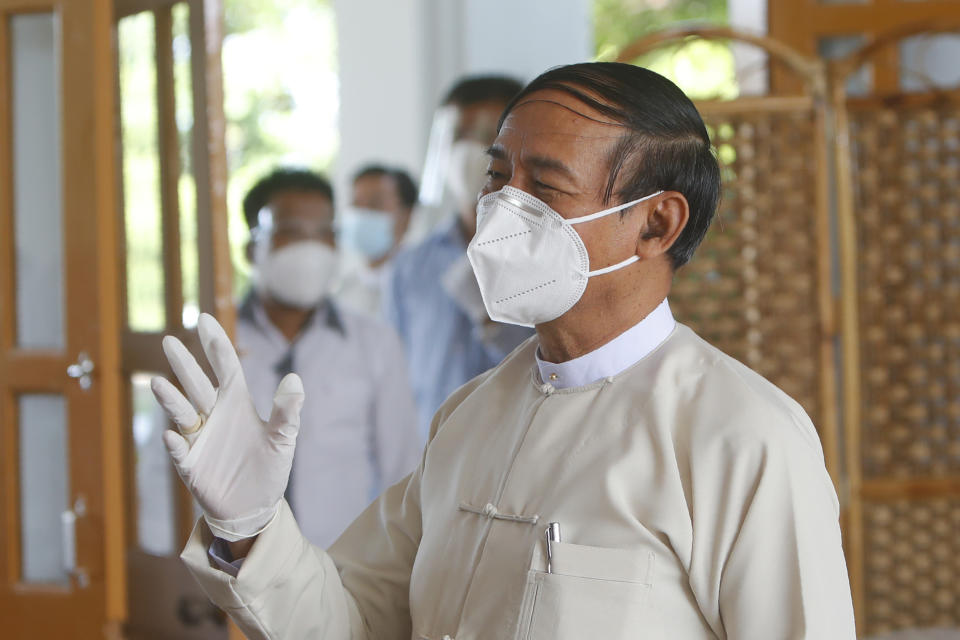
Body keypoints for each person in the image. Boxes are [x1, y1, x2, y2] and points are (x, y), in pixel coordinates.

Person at [152, 64, 857, 639]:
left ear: (656, 222)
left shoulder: (742, 436)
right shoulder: (469, 417)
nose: (501, 210)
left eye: (544, 186)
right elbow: (353, 621)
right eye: (497, 178)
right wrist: (248, 527)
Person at [163, 167, 421, 549]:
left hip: (343, 570)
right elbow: (164, 466)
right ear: (252, 249)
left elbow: (402, 470)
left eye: (324, 234)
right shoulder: (209, 345)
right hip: (230, 570)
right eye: (291, 232)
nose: (310, 248)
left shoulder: (375, 344)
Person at [384, 75, 534, 436]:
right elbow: (391, 384)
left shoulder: (549, 255)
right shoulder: (411, 266)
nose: (470, 151)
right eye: (459, 136)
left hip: (519, 460)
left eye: (486, 135)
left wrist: (493, 322)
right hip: (430, 463)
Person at [334, 164, 417, 315]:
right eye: (356, 205)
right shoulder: (342, 292)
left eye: (375, 204)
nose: (363, 214)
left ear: (407, 216)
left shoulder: (424, 285)